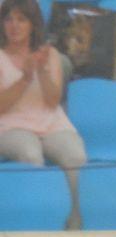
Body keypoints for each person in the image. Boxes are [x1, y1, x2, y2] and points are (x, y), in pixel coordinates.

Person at [0, 0, 86, 170]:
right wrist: (25, 79)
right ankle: (39, 197)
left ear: (33, 24)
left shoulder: (50, 55)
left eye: (21, 20)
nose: (14, 26)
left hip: (51, 125)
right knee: (30, 154)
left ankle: (73, 198)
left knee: (75, 156)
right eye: (8, 19)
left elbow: (53, 101)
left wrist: (42, 71)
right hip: (10, 126)